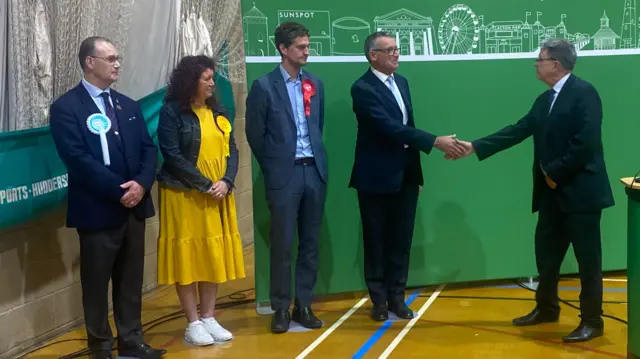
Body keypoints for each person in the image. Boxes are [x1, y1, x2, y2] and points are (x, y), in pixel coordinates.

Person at [452, 38, 614, 343]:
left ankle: (592, 321)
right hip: (551, 195)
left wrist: (554, 172)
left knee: (588, 261)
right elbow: (518, 130)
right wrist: (475, 147)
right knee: (547, 256)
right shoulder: (544, 101)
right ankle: (546, 308)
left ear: (555, 64)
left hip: (581, 194)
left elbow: (586, 142)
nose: (535, 65)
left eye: (539, 60)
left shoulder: (584, 93)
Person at [49, 36, 165, 359]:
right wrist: (120, 191)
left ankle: (131, 339)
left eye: (118, 59)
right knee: (97, 285)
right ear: (90, 62)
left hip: (134, 209)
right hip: (98, 211)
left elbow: (147, 148)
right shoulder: (66, 108)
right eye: (110, 58)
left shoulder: (127, 105)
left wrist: (141, 186)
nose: (117, 64)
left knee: (130, 280)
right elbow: (77, 159)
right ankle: (101, 347)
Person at [349, 31, 467, 322]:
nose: (396, 54)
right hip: (375, 178)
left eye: (397, 49)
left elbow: (407, 126)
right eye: (389, 50)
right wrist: (434, 141)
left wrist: (417, 176)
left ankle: (396, 299)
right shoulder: (362, 88)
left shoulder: (401, 82)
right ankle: (378, 301)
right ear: (373, 55)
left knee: (401, 241)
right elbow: (388, 127)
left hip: (406, 177)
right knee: (376, 241)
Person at [156, 55, 245, 346]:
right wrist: (205, 184)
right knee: (189, 257)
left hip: (218, 193)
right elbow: (172, 154)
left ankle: (208, 316)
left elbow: (232, 151)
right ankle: (192, 322)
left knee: (212, 255)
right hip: (184, 194)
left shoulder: (219, 112)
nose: (211, 83)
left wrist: (227, 181)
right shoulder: (171, 113)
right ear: (190, 81)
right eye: (206, 78)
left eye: (212, 78)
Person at [245, 21, 328, 334]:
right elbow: (255, 134)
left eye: (308, 46)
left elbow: (318, 126)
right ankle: (280, 308)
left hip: (314, 171)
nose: (307, 51)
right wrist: (274, 168)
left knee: (310, 242)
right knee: (282, 243)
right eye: (301, 47)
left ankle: (303, 305)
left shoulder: (315, 84)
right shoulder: (264, 86)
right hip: (284, 175)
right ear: (283, 49)